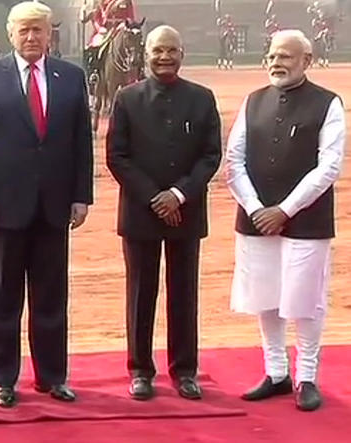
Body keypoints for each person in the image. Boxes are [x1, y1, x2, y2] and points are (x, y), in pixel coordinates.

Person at [0, 1, 93, 408]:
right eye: (24, 30)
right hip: (1, 208)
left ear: (50, 33)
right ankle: (4, 378)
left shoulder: (71, 77)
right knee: (2, 298)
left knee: (51, 297)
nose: (32, 37)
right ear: (10, 34)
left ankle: (53, 376)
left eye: (39, 29)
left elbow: (81, 142)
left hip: (54, 206)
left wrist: (80, 195)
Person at [226, 29, 345, 412]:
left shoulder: (328, 104)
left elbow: (328, 167)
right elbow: (234, 161)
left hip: (306, 222)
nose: (277, 62)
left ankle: (306, 376)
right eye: (273, 55)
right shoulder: (253, 101)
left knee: (305, 300)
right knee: (266, 295)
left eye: (286, 56)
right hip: (257, 218)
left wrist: (285, 210)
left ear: (306, 61)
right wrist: (256, 207)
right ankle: (276, 372)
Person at [106, 25, 221, 401]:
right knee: (141, 294)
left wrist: (178, 194)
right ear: (146, 54)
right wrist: (156, 197)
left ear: (182, 53)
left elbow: (210, 156)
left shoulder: (202, 99)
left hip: (185, 211)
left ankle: (185, 370)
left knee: (183, 294)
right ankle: (140, 369)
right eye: (158, 50)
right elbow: (117, 157)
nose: (165, 57)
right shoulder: (126, 99)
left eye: (172, 50)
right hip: (141, 212)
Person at [82, 0, 135, 76]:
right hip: (106, 30)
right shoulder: (101, 2)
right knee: (96, 44)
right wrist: (100, 28)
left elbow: (131, 17)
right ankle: (95, 72)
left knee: (135, 44)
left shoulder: (126, 1)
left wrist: (125, 24)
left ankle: (139, 72)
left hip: (123, 29)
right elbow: (97, 17)